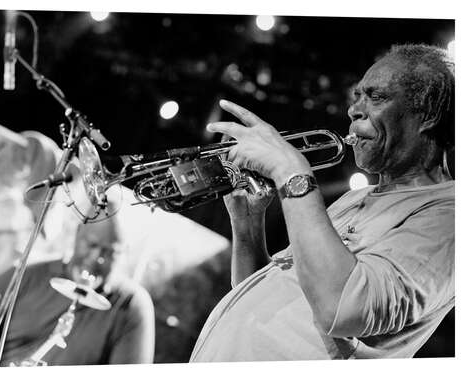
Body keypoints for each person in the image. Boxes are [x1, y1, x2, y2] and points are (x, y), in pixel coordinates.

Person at [190, 44, 454, 361]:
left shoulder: (451, 215)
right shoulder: (354, 200)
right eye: (357, 97)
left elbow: (343, 309)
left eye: (377, 97)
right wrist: (248, 227)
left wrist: (290, 168)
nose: (354, 110)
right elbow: (284, 300)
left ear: (428, 115)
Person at [0, 210, 156, 366]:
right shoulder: (25, 274)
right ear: (78, 232)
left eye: (110, 252)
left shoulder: (132, 304)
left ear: (124, 253)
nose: (96, 258)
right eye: (92, 244)